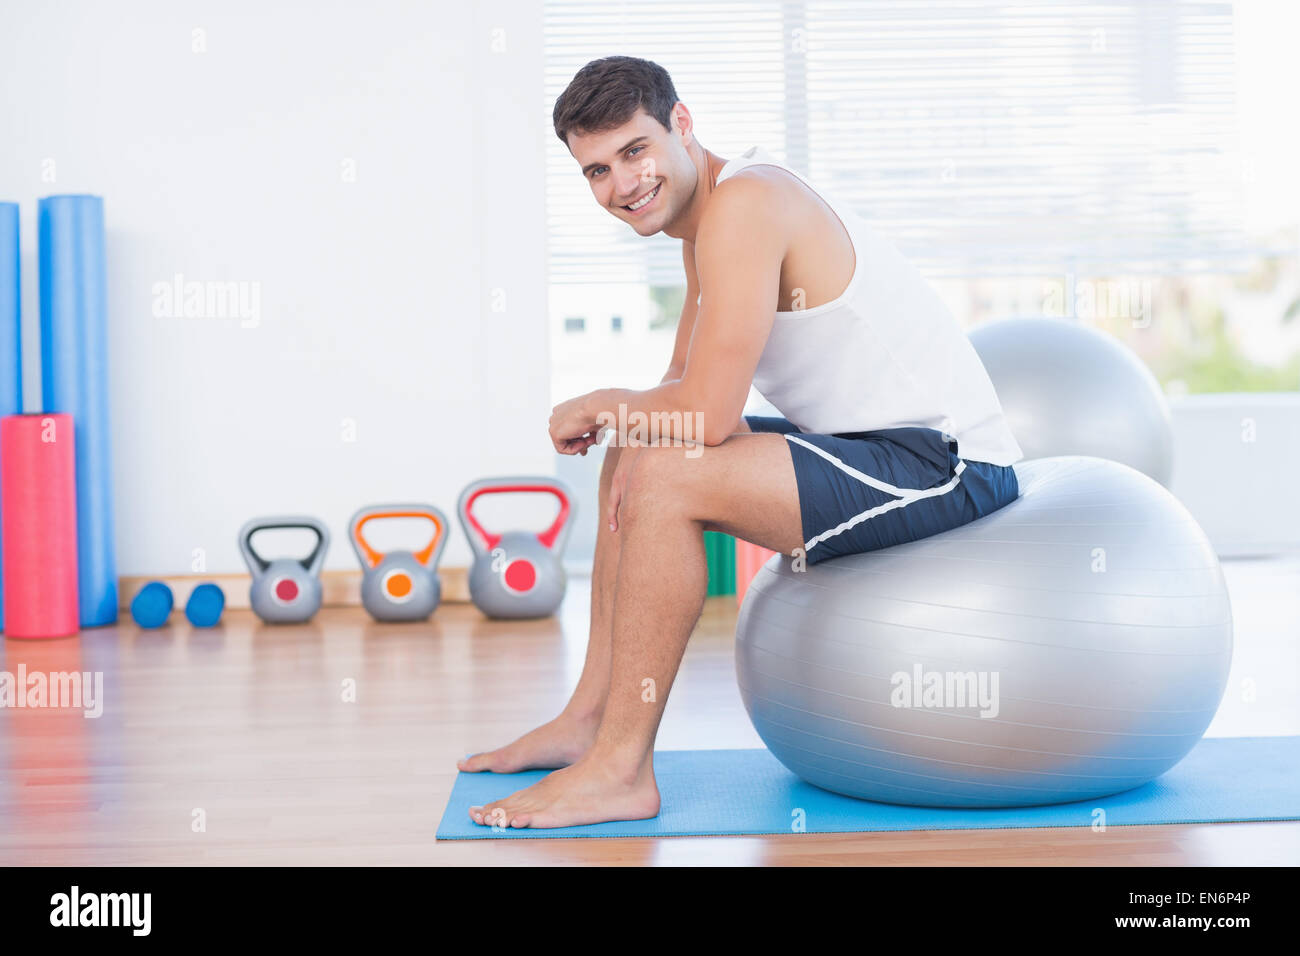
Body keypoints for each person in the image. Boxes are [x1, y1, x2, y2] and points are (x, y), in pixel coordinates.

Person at [461, 55, 1023, 829]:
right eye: (597, 170)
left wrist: (599, 403)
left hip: (946, 463)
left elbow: (709, 414)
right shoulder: (709, 224)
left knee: (664, 475)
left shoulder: (744, 207)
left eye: (635, 151)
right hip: (866, 442)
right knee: (637, 450)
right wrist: (622, 425)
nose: (622, 184)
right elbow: (675, 387)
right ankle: (587, 719)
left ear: (681, 125)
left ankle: (621, 771)